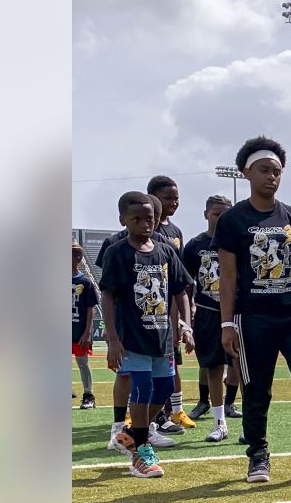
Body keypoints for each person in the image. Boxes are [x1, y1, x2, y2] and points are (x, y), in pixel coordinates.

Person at [214, 136, 291, 483]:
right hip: (252, 317)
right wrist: (227, 323)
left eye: (277, 171)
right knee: (257, 388)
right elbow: (227, 276)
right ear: (246, 173)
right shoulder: (233, 220)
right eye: (264, 170)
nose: (272, 176)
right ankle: (257, 456)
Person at [99, 192, 194, 478]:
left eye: (149, 218)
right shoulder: (118, 253)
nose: (144, 224)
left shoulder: (166, 251)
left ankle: (130, 434)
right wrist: (113, 339)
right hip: (132, 339)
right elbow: (108, 297)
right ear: (123, 221)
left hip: (162, 338)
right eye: (136, 219)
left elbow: (180, 290)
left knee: (164, 390)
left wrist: (186, 325)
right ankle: (141, 452)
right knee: (142, 389)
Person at [182, 194, 238, 443]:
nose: (221, 218)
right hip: (208, 313)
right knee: (212, 367)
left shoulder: (240, 242)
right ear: (206, 214)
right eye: (217, 213)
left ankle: (249, 422)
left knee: (244, 366)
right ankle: (219, 423)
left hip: (237, 313)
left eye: (226, 214)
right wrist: (187, 316)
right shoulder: (195, 245)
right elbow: (186, 284)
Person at [147, 175, 198, 435]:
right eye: (168, 198)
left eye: (176, 198)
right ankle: (148, 417)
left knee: (170, 365)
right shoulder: (143, 228)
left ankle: (170, 412)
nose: (174, 202)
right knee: (147, 367)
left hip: (169, 310)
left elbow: (179, 280)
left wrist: (182, 320)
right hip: (147, 308)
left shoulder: (176, 232)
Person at [72, 242, 98, 409]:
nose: (77, 257)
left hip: (78, 330)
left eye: (79, 254)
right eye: (74, 254)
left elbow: (91, 309)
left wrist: (87, 332)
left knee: (82, 362)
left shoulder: (86, 282)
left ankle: (88, 395)